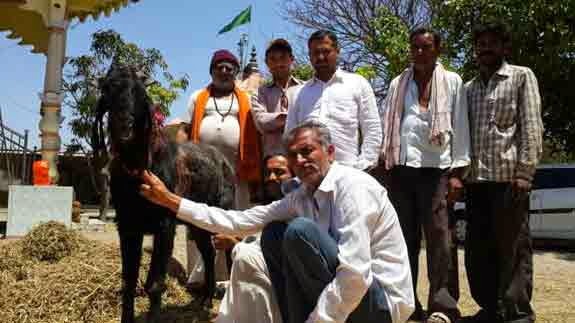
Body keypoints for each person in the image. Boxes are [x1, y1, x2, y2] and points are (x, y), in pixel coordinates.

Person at [140, 120, 414, 323]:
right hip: (346, 303)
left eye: (308, 151)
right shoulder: (301, 196)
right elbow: (237, 221)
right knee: (274, 235)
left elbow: (355, 276)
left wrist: (317, 321)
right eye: (294, 155)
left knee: (299, 232)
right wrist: (170, 201)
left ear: (329, 152)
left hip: (381, 306)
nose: (300, 160)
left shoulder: (353, 187)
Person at [379, 28, 470, 323]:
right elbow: (388, 124)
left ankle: (442, 307)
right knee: (401, 241)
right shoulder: (397, 84)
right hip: (401, 171)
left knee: (440, 241)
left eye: (426, 47)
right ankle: (406, 306)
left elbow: (460, 126)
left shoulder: (452, 82)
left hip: (438, 172)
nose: (420, 52)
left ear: (437, 50)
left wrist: (457, 172)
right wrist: (385, 166)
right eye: (415, 47)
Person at [464, 23, 542, 323]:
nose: (485, 48)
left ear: (504, 47)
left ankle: (518, 313)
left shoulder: (521, 77)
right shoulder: (468, 89)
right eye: (480, 43)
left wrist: (525, 173)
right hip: (476, 183)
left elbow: (532, 127)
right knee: (479, 251)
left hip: (510, 181)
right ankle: (490, 309)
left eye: (491, 43)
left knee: (514, 250)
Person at [184, 49, 262, 288]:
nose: (225, 71)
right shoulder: (198, 97)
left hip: (238, 172)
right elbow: (185, 129)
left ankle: (240, 276)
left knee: (237, 221)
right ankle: (200, 279)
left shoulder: (247, 99)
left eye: (230, 68)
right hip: (202, 174)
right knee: (199, 221)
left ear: (236, 73)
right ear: (212, 70)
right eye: (220, 67)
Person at [285, 30, 382, 171]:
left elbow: (372, 127)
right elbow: (290, 135)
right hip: (309, 174)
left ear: (337, 51)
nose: (321, 57)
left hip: (349, 171)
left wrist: (365, 164)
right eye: (315, 53)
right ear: (309, 56)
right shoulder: (298, 93)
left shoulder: (357, 83)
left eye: (326, 51)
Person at [215, 154, 295, 323]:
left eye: (279, 172)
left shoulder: (298, 204)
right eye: (268, 173)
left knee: (245, 256)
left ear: (294, 176)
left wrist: (235, 244)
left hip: (286, 275)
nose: (271, 178)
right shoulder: (264, 208)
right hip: (261, 272)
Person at [251, 39, 303, 157]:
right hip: (273, 159)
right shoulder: (259, 93)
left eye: (283, 58)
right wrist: (295, 116)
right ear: (266, 63)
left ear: (291, 59)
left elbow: (310, 119)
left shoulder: (304, 88)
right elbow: (262, 122)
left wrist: (276, 119)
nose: (278, 63)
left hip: (301, 157)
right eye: (273, 59)